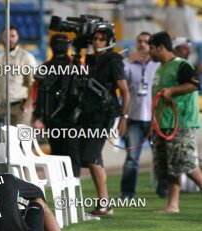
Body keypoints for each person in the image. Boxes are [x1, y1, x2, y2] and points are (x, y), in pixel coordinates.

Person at [148, 31, 202, 212]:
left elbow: (195, 84)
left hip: (181, 124)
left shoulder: (181, 65)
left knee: (186, 164)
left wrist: (172, 90)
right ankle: (173, 205)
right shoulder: (162, 67)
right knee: (172, 166)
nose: (150, 52)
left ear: (161, 47)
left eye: (152, 48)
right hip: (164, 124)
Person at [78, 27, 130, 215]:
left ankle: (104, 203)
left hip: (104, 115)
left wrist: (124, 117)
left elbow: (124, 90)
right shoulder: (91, 60)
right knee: (94, 159)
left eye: (101, 39)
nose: (96, 42)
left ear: (109, 41)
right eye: (95, 39)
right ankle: (103, 202)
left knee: (91, 157)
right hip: (89, 114)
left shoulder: (114, 60)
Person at [120, 32, 166, 199]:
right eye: (139, 41)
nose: (142, 44)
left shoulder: (159, 65)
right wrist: (128, 60)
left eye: (146, 42)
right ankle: (127, 193)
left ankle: (164, 189)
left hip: (155, 119)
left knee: (160, 156)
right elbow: (120, 80)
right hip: (134, 118)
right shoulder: (130, 65)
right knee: (132, 158)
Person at [33, 34, 81, 177]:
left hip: (62, 118)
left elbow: (39, 94)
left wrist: (39, 117)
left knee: (62, 154)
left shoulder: (74, 65)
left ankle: (67, 187)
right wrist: (39, 117)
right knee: (67, 154)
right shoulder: (75, 65)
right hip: (65, 119)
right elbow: (40, 93)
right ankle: (68, 186)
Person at [0, 26, 37, 130]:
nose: (10, 39)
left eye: (13, 36)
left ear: (18, 37)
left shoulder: (26, 57)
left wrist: (25, 107)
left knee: (18, 144)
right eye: (6, 36)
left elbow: (33, 84)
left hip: (19, 108)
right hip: (1, 108)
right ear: (1, 38)